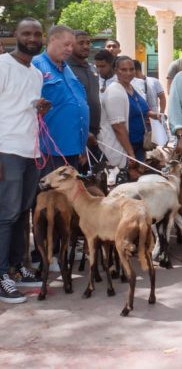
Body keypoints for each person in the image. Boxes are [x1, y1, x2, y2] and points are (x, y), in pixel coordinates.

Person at [0, 18, 46, 303]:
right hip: (7, 150)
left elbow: (20, 108)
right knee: (5, 216)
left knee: (20, 214)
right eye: (26, 33)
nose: (32, 38)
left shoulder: (36, 73)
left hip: (31, 151)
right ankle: (1, 274)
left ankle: (17, 268)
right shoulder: (2, 66)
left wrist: (40, 108)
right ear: (15, 35)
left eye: (36, 34)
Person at [33, 25, 89, 173]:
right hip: (50, 148)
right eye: (66, 45)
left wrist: (82, 146)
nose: (70, 49)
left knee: (69, 194)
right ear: (52, 40)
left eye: (72, 45)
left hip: (74, 147)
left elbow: (78, 102)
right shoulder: (36, 65)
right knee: (50, 195)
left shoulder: (67, 68)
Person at [110, 56, 154, 163]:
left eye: (131, 69)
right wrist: (130, 153)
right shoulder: (114, 91)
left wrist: (154, 115)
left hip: (140, 143)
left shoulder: (134, 87)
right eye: (124, 70)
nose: (128, 73)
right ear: (116, 71)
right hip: (126, 147)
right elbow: (118, 126)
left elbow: (141, 109)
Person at [67, 31, 101, 155]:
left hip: (95, 131)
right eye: (81, 43)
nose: (86, 46)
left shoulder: (91, 67)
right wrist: (83, 131)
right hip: (77, 132)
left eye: (88, 42)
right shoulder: (65, 68)